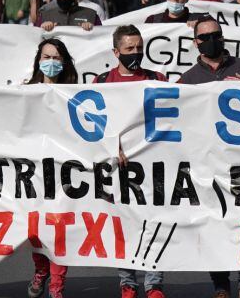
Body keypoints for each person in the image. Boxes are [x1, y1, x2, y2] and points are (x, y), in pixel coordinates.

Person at [178, 18, 240, 297]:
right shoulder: (187, 80)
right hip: (207, 164)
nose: (211, 39)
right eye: (205, 37)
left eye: (216, 34)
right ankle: (221, 285)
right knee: (214, 223)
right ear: (196, 43)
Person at [91, 26, 166, 298]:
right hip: (118, 167)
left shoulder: (158, 79)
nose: (136, 53)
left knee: (153, 223)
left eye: (139, 48)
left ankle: (154, 283)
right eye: (129, 49)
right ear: (116, 52)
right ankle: (127, 282)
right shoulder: (102, 83)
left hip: (152, 164)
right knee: (123, 225)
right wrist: (114, 146)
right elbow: (95, 126)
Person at [25, 38, 78, 298]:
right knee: (35, 230)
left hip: (65, 173)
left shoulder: (77, 95)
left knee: (60, 230)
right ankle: (41, 270)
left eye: (56, 58)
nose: (51, 62)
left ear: (64, 62)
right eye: (46, 57)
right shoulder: (25, 91)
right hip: (33, 173)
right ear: (38, 61)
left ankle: (57, 286)